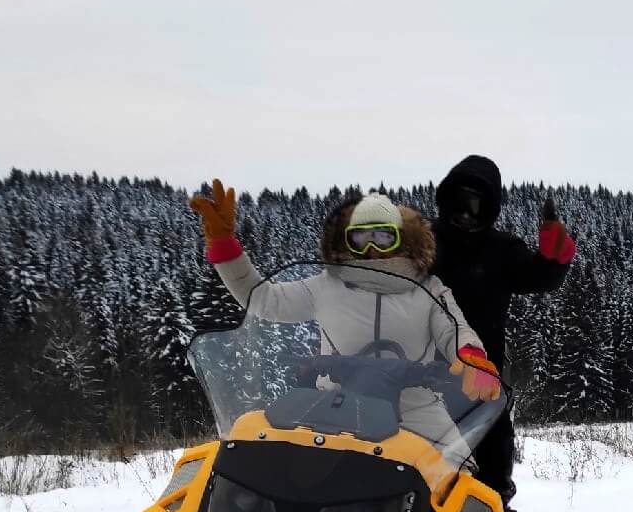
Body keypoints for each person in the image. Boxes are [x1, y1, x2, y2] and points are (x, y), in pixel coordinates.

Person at [188, 180, 502, 469]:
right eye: (361, 238)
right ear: (348, 241)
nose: (372, 248)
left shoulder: (428, 288)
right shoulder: (326, 285)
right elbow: (264, 299)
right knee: (288, 474)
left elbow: (454, 330)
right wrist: (225, 247)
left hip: (415, 407)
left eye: (382, 236)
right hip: (335, 405)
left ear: (401, 240)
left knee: (459, 474)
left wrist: (471, 355)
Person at [433, 155, 576, 512]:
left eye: (479, 205)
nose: (467, 214)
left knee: (493, 486)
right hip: (416, 387)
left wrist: (555, 249)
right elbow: (374, 276)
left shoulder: (500, 250)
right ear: (446, 197)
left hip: (483, 388)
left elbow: (544, 278)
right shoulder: (421, 244)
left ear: (490, 209)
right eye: (460, 202)